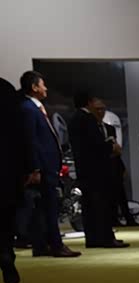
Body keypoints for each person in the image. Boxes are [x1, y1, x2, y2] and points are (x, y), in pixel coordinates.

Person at [19, 71, 81, 258]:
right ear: (34, 87)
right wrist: (35, 168)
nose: (45, 88)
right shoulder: (28, 109)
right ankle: (55, 245)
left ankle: (42, 245)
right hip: (43, 167)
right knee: (48, 207)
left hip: (47, 166)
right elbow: (31, 140)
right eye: (42, 84)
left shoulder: (34, 108)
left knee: (43, 208)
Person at [68, 92, 128, 248]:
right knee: (101, 205)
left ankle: (93, 238)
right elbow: (96, 144)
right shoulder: (87, 119)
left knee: (89, 206)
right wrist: (111, 147)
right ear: (89, 102)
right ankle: (106, 238)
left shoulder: (74, 119)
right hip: (97, 170)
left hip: (84, 169)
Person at [0, 78, 25, 283]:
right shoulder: (6, 90)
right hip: (6, 167)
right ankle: (6, 252)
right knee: (6, 217)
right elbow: (21, 133)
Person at [103, 119, 139, 227]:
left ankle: (127, 218)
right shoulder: (96, 129)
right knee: (112, 195)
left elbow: (117, 149)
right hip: (106, 165)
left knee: (121, 194)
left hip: (115, 165)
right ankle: (115, 218)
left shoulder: (109, 128)